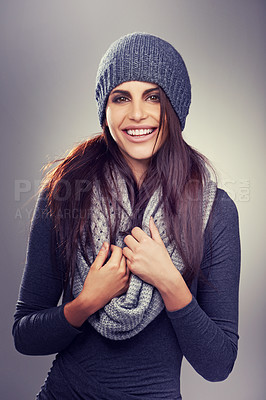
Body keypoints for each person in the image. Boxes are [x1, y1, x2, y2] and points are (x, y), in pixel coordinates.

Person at [12, 32, 241, 400]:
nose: (137, 114)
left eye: (153, 97)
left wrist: (170, 282)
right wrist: (87, 301)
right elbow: (24, 335)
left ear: (175, 107)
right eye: (121, 97)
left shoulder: (214, 211)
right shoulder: (65, 193)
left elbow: (218, 365)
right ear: (105, 109)